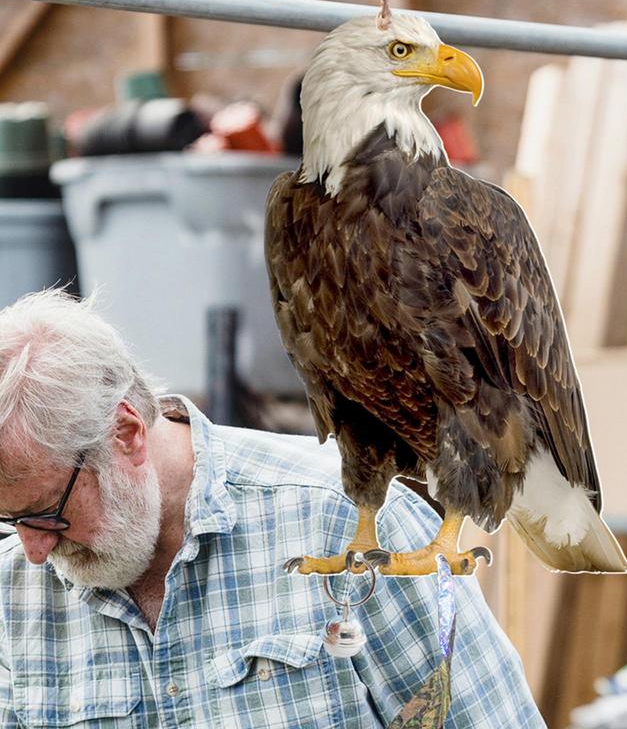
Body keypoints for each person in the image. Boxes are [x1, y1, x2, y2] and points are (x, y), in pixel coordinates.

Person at [0, 289, 545, 728]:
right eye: (10, 519)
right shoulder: (9, 599)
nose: (34, 549)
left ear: (126, 432)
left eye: (47, 511)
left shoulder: (344, 525)